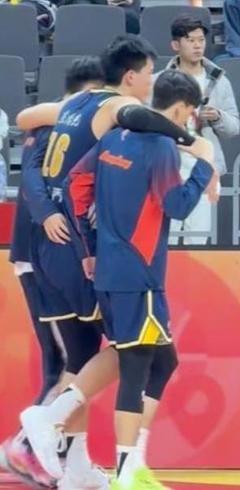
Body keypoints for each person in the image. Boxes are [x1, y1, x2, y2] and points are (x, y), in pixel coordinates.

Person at [17, 35, 199, 485]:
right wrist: (188, 139)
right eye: (149, 73)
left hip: (50, 241)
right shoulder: (118, 109)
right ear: (131, 76)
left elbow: (24, 118)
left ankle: (78, 464)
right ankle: (52, 424)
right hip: (82, 246)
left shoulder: (77, 103)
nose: (152, 82)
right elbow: (138, 117)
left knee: (88, 354)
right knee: (135, 352)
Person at [67, 69, 217, 490]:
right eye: (191, 113)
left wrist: (89, 246)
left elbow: (76, 184)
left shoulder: (114, 138)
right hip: (140, 274)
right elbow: (177, 205)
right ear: (182, 109)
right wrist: (204, 167)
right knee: (136, 367)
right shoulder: (161, 146)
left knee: (164, 361)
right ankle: (125, 470)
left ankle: (133, 462)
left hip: (110, 271)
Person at [0, 57, 106, 489]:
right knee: (66, 361)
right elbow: (31, 179)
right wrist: (47, 214)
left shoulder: (59, 123)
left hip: (47, 251)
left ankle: (75, 458)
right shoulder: (57, 125)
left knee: (78, 358)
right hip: (41, 252)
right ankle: (24, 444)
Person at [158, 15, 240, 245]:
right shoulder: (159, 81)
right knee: (166, 239)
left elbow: (234, 128)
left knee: (199, 241)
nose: (197, 46)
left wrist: (218, 117)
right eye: (191, 40)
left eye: (201, 40)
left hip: (205, 169)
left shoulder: (219, 81)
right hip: (168, 168)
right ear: (176, 45)